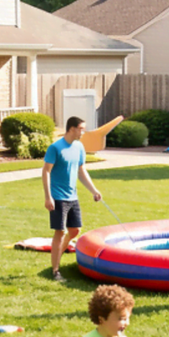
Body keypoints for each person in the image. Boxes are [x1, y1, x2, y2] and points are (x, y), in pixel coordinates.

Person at [42, 116, 102, 282]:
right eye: (81, 128)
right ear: (72, 129)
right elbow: (46, 171)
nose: (83, 131)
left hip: (72, 196)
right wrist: (48, 197)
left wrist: (93, 190)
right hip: (58, 197)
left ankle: (58, 255)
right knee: (59, 232)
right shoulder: (55, 148)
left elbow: (81, 171)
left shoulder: (79, 147)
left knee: (75, 230)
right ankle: (55, 271)